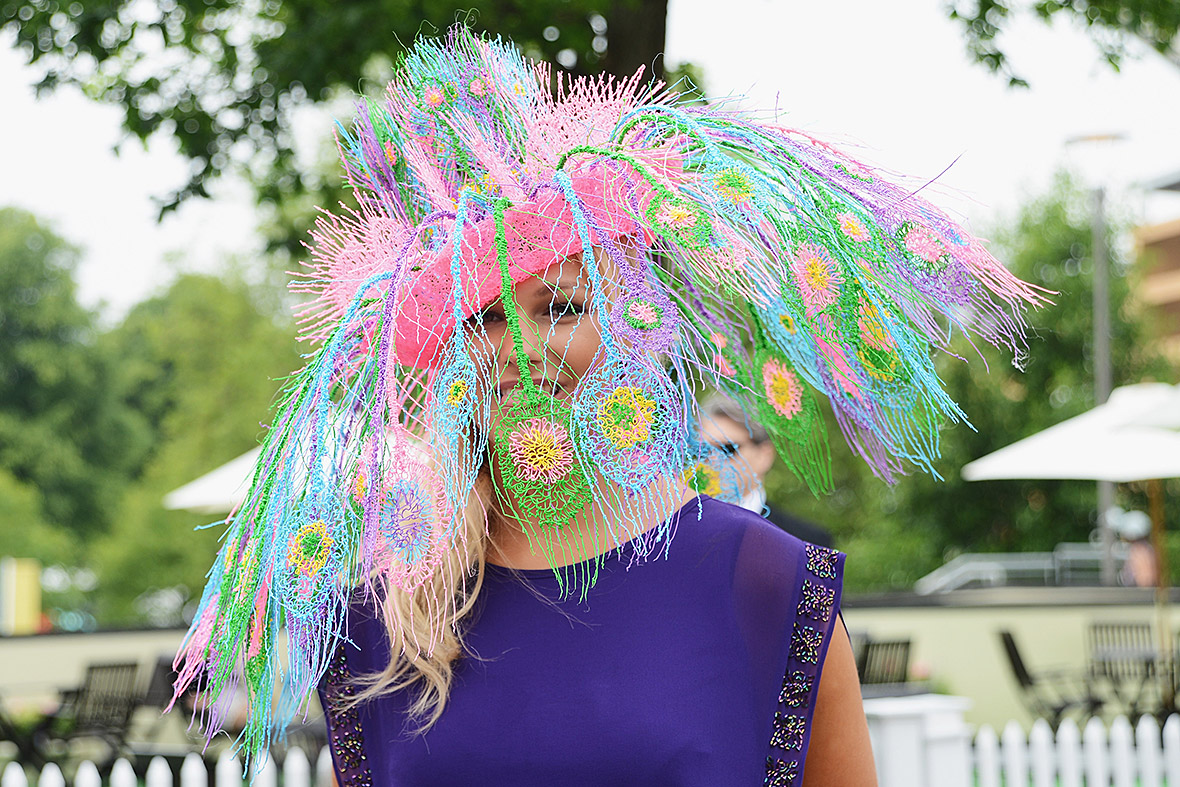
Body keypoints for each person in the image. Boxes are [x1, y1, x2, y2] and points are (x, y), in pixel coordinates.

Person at [169, 26, 1044, 785]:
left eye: (560, 307)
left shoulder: (764, 580)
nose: (519, 345)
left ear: (638, 327)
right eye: (482, 317)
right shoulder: (382, 610)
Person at [701, 393, 834, 547]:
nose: (713, 459)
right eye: (703, 450)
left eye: (727, 449)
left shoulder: (807, 542)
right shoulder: (675, 532)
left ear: (765, 455)